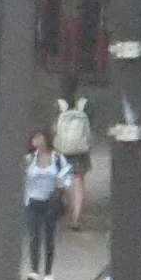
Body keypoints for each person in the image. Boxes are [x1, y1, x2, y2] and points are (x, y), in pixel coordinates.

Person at [23, 130, 74, 280]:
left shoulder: (57, 158)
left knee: (49, 237)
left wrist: (62, 187)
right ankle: (34, 270)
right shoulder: (29, 159)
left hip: (50, 202)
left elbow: (67, 176)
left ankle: (48, 272)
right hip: (32, 201)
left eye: (40, 137)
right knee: (34, 236)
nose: (36, 140)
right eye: (34, 137)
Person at [53, 95, 92, 229]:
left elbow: (54, 129)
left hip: (63, 150)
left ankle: (66, 213)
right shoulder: (85, 103)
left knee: (64, 181)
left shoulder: (58, 104)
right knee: (79, 182)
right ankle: (76, 216)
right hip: (81, 150)